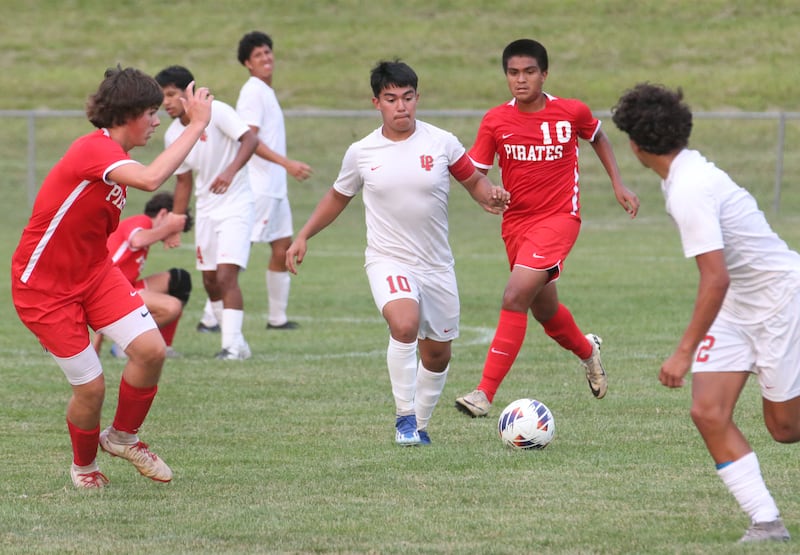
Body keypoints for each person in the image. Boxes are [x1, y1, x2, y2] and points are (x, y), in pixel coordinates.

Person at [286, 60, 510, 446]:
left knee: (438, 355)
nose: (401, 106)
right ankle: (404, 418)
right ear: (377, 103)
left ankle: (419, 426)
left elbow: (472, 179)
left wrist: (489, 196)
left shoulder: (442, 142)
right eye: (391, 99)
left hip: (436, 264)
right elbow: (338, 197)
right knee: (404, 324)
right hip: (388, 258)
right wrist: (304, 234)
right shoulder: (361, 151)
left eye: (407, 98)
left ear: (417, 98)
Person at [612, 83, 798, 544]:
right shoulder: (685, 175)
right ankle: (766, 522)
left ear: (635, 146)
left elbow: (715, 278)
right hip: (740, 306)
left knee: (785, 428)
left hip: (778, 299)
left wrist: (682, 352)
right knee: (708, 411)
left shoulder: (689, 188)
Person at [11, 66, 213, 489]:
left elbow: (154, 176)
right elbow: (151, 178)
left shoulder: (116, 157)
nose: (158, 121)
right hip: (44, 289)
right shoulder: (93, 150)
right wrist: (197, 125)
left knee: (151, 351)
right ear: (127, 113)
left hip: (95, 273)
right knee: (91, 388)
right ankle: (83, 467)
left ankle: (122, 437)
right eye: (151, 112)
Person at [454, 38, 640, 418]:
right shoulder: (495, 121)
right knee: (545, 311)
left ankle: (483, 394)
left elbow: (598, 136)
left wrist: (618, 184)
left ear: (544, 74)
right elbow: (478, 177)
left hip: (559, 219)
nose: (520, 80)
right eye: (513, 73)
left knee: (513, 296)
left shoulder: (570, 112)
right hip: (516, 224)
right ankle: (589, 352)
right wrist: (489, 196)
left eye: (528, 72)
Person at [196, 30, 313, 333]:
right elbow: (249, 138)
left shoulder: (265, 90)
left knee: (281, 247)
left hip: (275, 188)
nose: (266, 58)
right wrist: (287, 163)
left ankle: (277, 318)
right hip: (259, 185)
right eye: (258, 55)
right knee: (235, 249)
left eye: (268, 52)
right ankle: (210, 317)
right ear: (247, 63)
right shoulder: (252, 91)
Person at [155, 65, 258, 360]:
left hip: (236, 206)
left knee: (227, 276)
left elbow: (250, 140)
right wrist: (175, 224)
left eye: (172, 94)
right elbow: (183, 181)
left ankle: (232, 346)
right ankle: (237, 343)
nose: (167, 102)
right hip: (207, 211)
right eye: (163, 96)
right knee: (210, 281)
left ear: (190, 91)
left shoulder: (219, 111)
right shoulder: (173, 134)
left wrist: (230, 171)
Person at [92, 192, 193, 359]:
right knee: (172, 307)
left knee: (179, 280)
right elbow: (137, 240)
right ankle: (127, 343)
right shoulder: (142, 221)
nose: (176, 235)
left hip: (123, 288)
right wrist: (170, 228)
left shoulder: (147, 229)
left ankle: (164, 345)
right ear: (163, 214)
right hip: (110, 293)